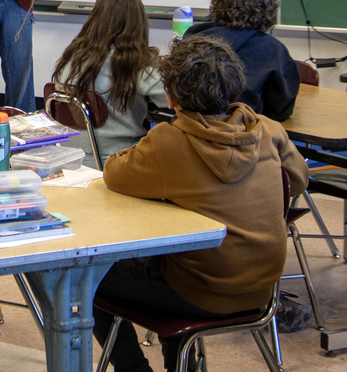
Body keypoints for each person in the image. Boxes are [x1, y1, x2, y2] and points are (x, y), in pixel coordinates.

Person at [92, 34, 308, 372]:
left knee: (84, 277)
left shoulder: (170, 141)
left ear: (171, 95)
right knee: (176, 260)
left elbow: (114, 174)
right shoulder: (269, 129)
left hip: (198, 292)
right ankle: (181, 365)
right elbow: (297, 181)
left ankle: (131, 367)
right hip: (263, 289)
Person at [51, 0, 167, 166]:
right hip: (118, 161)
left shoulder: (73, 55)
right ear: (139, 23)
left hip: (69, 158)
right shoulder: (137, 64)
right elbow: (173, 100)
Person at [184, 0, 300, 121]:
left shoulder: (194, 36)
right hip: (245, 137)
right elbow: (281, 110)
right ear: (268, 8)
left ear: (217, 1)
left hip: (191, 133)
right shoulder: (273, 50)